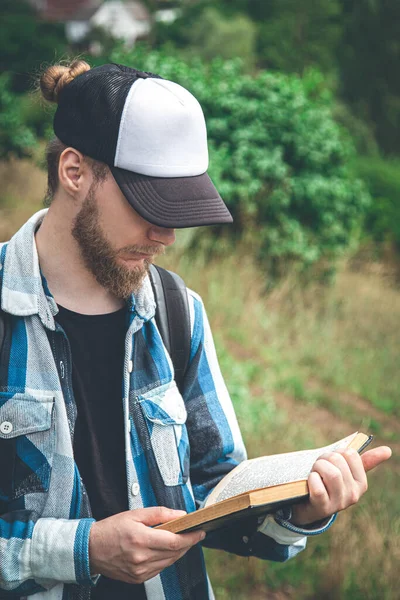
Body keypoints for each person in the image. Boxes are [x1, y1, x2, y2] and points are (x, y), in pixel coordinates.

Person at [0, 60, 391, 600]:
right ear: (75, 172)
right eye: (147, 205)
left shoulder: (177, 311)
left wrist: (299, 507)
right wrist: (82, 549)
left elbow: (216, 494)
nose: (165, 236)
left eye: (178, 210)